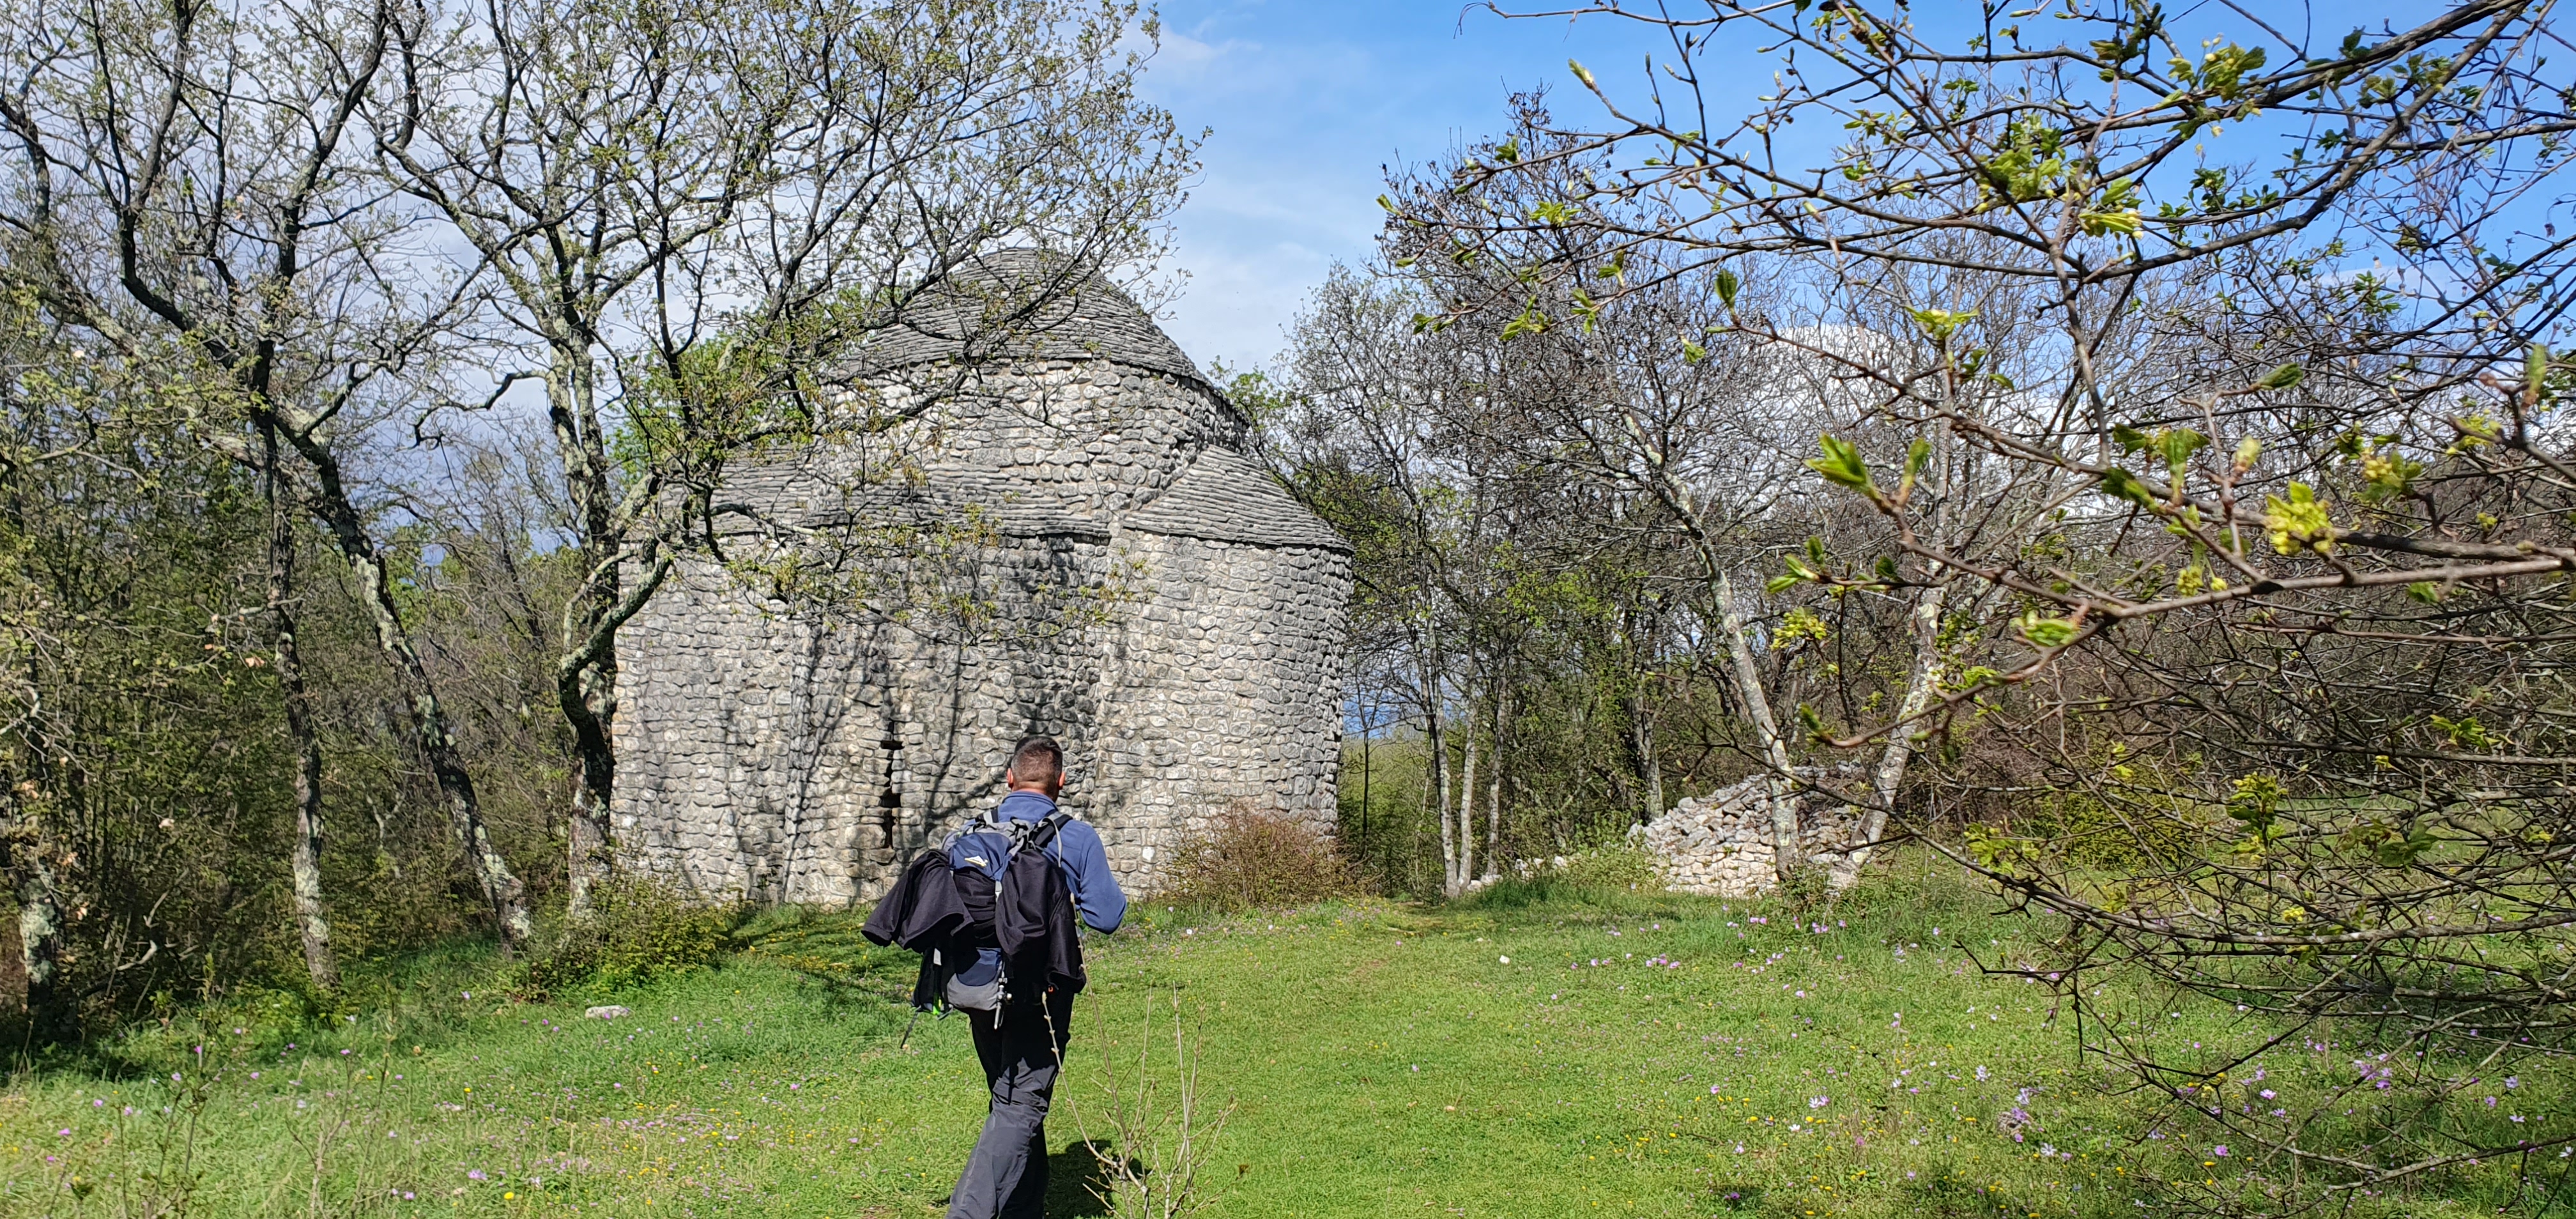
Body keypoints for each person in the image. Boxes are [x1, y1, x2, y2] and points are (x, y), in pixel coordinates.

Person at [948, 734, 1126, 1219]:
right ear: (1061, 782)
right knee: (1020, 1105)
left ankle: (1024, 1208)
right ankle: (968, 1213)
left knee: (1012, 1099)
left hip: (977, 986)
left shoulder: (969, 831)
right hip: (1040, 992)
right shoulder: (1076, 836)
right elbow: (1106, 918)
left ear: (1010, 778)